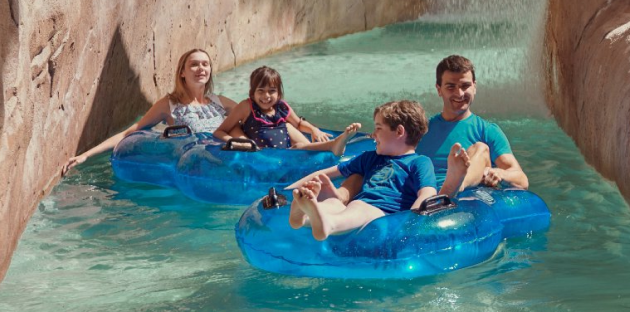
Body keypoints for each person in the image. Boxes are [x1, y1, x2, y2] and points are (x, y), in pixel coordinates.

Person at [63, 49, 239, 175]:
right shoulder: (169, 104)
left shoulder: (220, 102)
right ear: (182, 73)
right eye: (194, 65)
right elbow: (129, 132)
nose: (201, 68)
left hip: (226, 164)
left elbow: (251, 117)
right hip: (196, 169)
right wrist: (85, 155)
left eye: (205, 64)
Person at [287, 100, 439, 240]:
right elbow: (324, 174)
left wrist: (409, 224)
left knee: (360, 208)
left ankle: (328, 225)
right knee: (334, 203)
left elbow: (427, 194)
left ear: (399, 132)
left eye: (378, 128)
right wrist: (291, 190)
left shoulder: (419, 162)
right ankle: (303, 218)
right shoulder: (370, 158)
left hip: (386, 218)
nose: (373, 134)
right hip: (357, 208)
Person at [419, 55, 529, 195]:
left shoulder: (487, 131)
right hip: (426, 196)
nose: (459, 93)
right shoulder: (421, 130)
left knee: (481, 149)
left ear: (474, 87)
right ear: (439, 89)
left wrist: (499, 173)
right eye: (451, 87)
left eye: (465, 86)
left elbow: (522, 180)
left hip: (466, 198)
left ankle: (456, 185)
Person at [215, 66, 360, 156]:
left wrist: (314, 130)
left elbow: (298, 124)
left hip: (285, 154)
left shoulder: (281, 107)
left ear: (279, 93)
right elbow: (220, 131)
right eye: (261, 91)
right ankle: (333, 145)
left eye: (272, 91)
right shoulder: (246, 107)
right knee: (298, 146)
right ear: (252, 93)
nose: (266, 96)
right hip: (263, 155)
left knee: (299, 145)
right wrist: (240, 143)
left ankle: (334, 145)